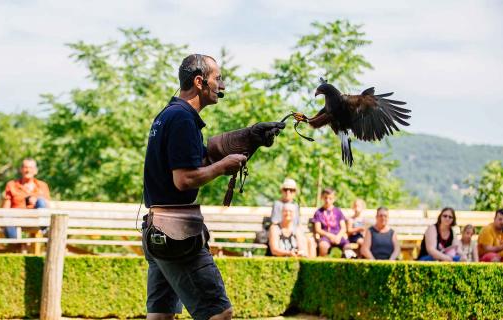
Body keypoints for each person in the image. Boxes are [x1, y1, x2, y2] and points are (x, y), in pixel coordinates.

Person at [141, 54, 284, 320]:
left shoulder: (170, 115)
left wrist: (249, 136)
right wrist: (223, 167)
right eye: (218, 78)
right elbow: (183, 179)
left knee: (160, 316)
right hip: (176, 233)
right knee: (219, 314)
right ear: (199, 81)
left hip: (156, 230)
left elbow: (201, 157)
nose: (223, 85)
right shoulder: (183, 119)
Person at [2, 158, 50, 239]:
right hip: (17, 219)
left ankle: (45, 230)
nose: (28, 170)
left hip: (36, 220)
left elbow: (48, 206)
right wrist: (0, 220)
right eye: (25, 167)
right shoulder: (12, 185)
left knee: (41, 201)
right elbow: (6, 208)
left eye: (31, 168)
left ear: (36, 171)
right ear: (21, 169)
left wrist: (37, 200)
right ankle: (18, 245)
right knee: (7, 219)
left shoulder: (42, 185)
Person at [269, 178, 316, 257]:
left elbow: (297, 223)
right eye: (285, 189)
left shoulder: (296, 205)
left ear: (295, 192)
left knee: (310, 241)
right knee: (302, 242)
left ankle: (310, 264)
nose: (288, 192)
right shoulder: (277, 204)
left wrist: (300, 234)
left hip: (295, 232)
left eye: (291, 190)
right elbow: (275, 222)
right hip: (282, 232)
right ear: (282, 191)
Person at [313, 188, 350, 257]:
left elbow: (343, 228)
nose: (327, 200)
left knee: (348, 248)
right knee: (323, 246)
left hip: (338, 236)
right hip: (325, 237)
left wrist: (338, 237)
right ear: (322, 198)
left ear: (334, 199)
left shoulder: (338, 211)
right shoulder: (318, 212)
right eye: (325, 198)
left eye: (330, 198)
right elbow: (318, 229)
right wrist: (330, 236)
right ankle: (323, 265)